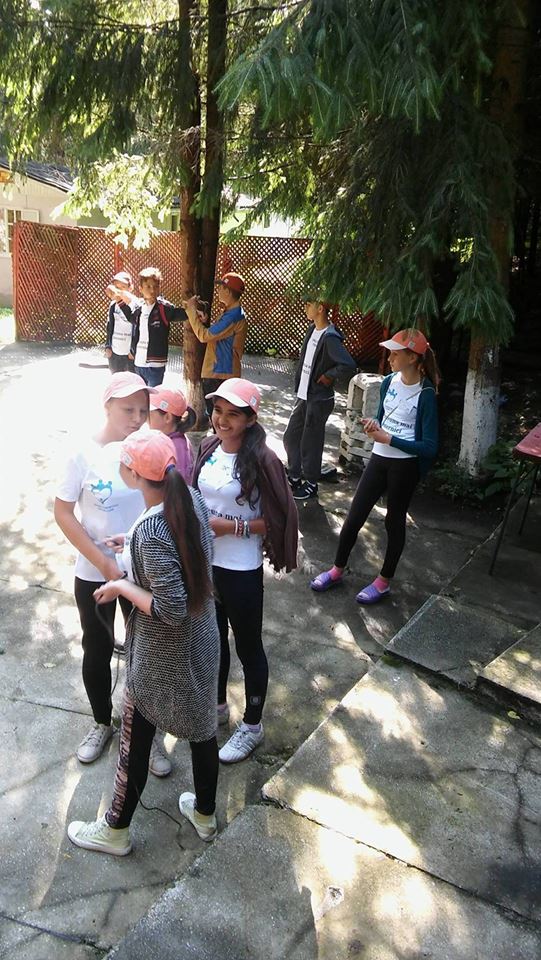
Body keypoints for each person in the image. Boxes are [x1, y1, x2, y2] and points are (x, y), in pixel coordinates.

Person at [67, 430, 220, 855]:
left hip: (162, 654)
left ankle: (115, 830)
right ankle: (205, 816)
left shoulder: (152, 527)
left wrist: (122, 587)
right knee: (203, 730)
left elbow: (170, 608)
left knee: (134, 737)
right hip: (202, 639)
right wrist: (130, 545)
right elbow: (180, 555)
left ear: (134, 474)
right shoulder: (189, 498)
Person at [54, 373, 173, 776]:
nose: (137, 418)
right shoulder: (81, 453)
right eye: (128, 409)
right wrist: (104, 565)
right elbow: (63, 513)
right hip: (95, 571)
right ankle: (102, 722)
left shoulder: (151, 446)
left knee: (149, 655)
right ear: (106, 407)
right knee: (98, 648)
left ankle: (148, 735)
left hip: (144, 573)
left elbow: (169, 506)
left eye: (143, 410)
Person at [192, 378, 298, 764]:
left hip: (241, 569)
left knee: (248, 646)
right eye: (218, 411)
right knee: (213, 640)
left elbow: (279, 519)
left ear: (251, 419)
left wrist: (232, 527)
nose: (221, 420)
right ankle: (217, 706)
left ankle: (252, 726)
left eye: (233, 414)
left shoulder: (263, 460)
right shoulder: (208, 447)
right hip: (207, 564)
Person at [310, 329, 439, 603]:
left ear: (413, 358)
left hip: (404, 467)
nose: (389, 358)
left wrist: (389, 438)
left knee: (394, 522)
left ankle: (383, 582)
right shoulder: (389, 381)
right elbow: (383, 418)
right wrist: (375, 425)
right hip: (379, 458)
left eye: (395, 354)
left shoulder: (426, 394)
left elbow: (429, 447)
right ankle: (337, 570)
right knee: (354, 516)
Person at [284, 301, 356, 501]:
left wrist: (329, 375)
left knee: (311, 443)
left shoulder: (330, 337)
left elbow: (348, 365)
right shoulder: (312, 330)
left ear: (320, 308)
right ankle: (294, 476)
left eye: (309, 305)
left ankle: (311, 483)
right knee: (291, 436)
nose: (305, 308)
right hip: (304, 395)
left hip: (318, 398)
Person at [108, 267, 187, 387]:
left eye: (156, 286)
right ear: (140, 289)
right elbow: (131, 318)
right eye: (148, 287)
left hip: (155, 366)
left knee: (154, 395)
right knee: (140, 394)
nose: (152, 290)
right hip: (138, 363)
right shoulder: (139, 308)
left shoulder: (163, 308)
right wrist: (119, 301)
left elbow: (181, 314)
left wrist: (197, 312)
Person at [184, 273, 247, 417]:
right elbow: (219, 334)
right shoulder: (232, 312)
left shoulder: (233, 316)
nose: (218, 291)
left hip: (220, 373)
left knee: (217, 416)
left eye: (221, 288)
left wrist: (191, 311)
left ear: (228, 292)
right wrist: (204, 320)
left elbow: (204, 336)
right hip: (221, 372)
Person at [148, 386, 196, 484]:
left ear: (168, 417)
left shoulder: (174, 447)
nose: (145, 417)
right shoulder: (174, 441)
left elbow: (178, 485)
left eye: (150, 414)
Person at [105, 271, 136, 374]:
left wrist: (133, 350)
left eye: (123, 287)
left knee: (130, 380)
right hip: (115, 352)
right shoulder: (113, 305)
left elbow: (138, 328)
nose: (119, 290)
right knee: (116, 379)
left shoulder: (135, 304)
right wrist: (108, 346)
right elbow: (110, 326)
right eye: (117, 287)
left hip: (129, 354)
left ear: (130, 288)